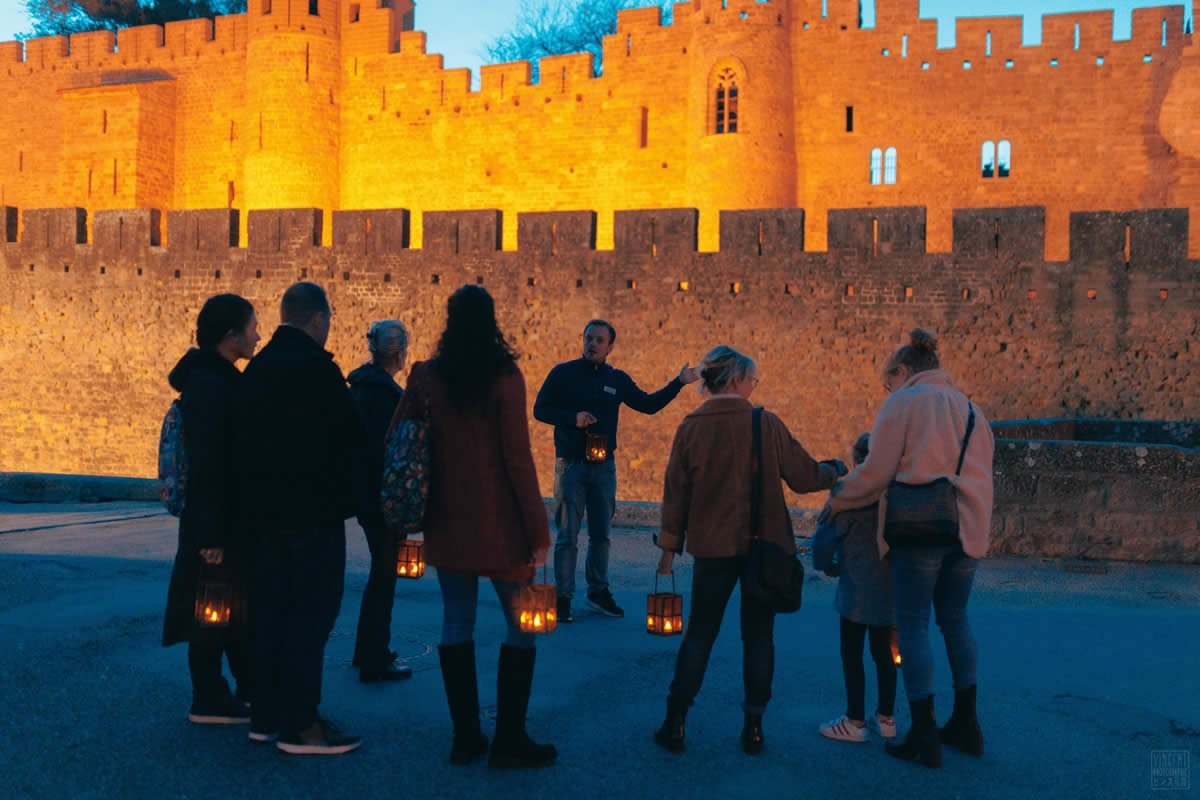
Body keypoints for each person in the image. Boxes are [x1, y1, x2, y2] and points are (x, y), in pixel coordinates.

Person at [390, 285, 555, 769]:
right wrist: (539, 533)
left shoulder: (426, 376)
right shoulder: (505, 377)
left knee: (455, 621)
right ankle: (509, 739)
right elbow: (517, 460)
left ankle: (465, 739)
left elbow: (396, 438)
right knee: (520, 628)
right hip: (501, 525)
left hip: (446, 520)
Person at [653, 345, 846, 755]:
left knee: (700, 635)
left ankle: (675, 721)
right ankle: (754, 727)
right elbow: (804, 476)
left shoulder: (691, 426)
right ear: (738, 380)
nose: (754, 387)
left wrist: (669, 547)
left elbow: (676, 494)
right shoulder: (764, 423)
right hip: (764, 548)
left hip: (712, 547)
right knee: (758, 637)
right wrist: (836, 471)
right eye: (753, 380)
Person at [828, 328, 994, 768]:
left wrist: (837, 496)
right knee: (956, 620)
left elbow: (875, 473)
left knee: (914, 624)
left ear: (903, 372)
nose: (889, 390)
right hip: (967, 531)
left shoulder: (902, 403)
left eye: (889, 381)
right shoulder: (975, 412)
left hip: (920, 530)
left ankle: (924, 735)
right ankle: (966, 724)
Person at [234, 282, 365, 756]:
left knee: (269, 616)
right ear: (317, 320)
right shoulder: (319, 372)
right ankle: (302, 727)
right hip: (311, 516)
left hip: (262, 519)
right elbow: (345, 443)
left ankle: (266, 716)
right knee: (310, 618)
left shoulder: (258, 370)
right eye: (326, 322)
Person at [534, 319, 699, 623]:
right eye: (588, 338)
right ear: (582, 340)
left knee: (601, 535)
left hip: (604, 468)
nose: (592, 344)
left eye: (599, 340)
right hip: (570, 465)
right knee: (567, 535)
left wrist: (679, 382)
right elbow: (540, 410)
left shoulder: (617, 380)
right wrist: (574, 418)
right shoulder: (563, 373)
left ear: (610, 347)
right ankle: (563, 597)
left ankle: (598, 591)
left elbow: (649, 405)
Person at [162, 294, 260, 725]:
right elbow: (209, 466)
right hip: (214, 525)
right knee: (212, 608)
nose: (257, 334)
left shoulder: (214, 381)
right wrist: (212, 537)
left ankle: (246, 689)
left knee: (228, 605)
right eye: (252, 326)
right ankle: (208, 697)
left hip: (220, 522)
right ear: (230, 335)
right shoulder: (212, 387)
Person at [812, 433, 897, 744]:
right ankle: (887, 718)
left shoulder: (848, 497)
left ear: (856, 460)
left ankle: (855, 720)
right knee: (884, 654)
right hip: (890, 587)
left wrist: (829, 566)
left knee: (852, 654)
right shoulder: (895, 490)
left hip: (857, 589)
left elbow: (823, 543)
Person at [348, 320, 413, 684]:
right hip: (381, 501)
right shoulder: (387, 397)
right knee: (383, 577)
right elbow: (391, 455)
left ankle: (367, 650)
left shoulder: (358, 388)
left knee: (380, 574)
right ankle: (374, 657)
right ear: (399, 353)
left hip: (362, 495)